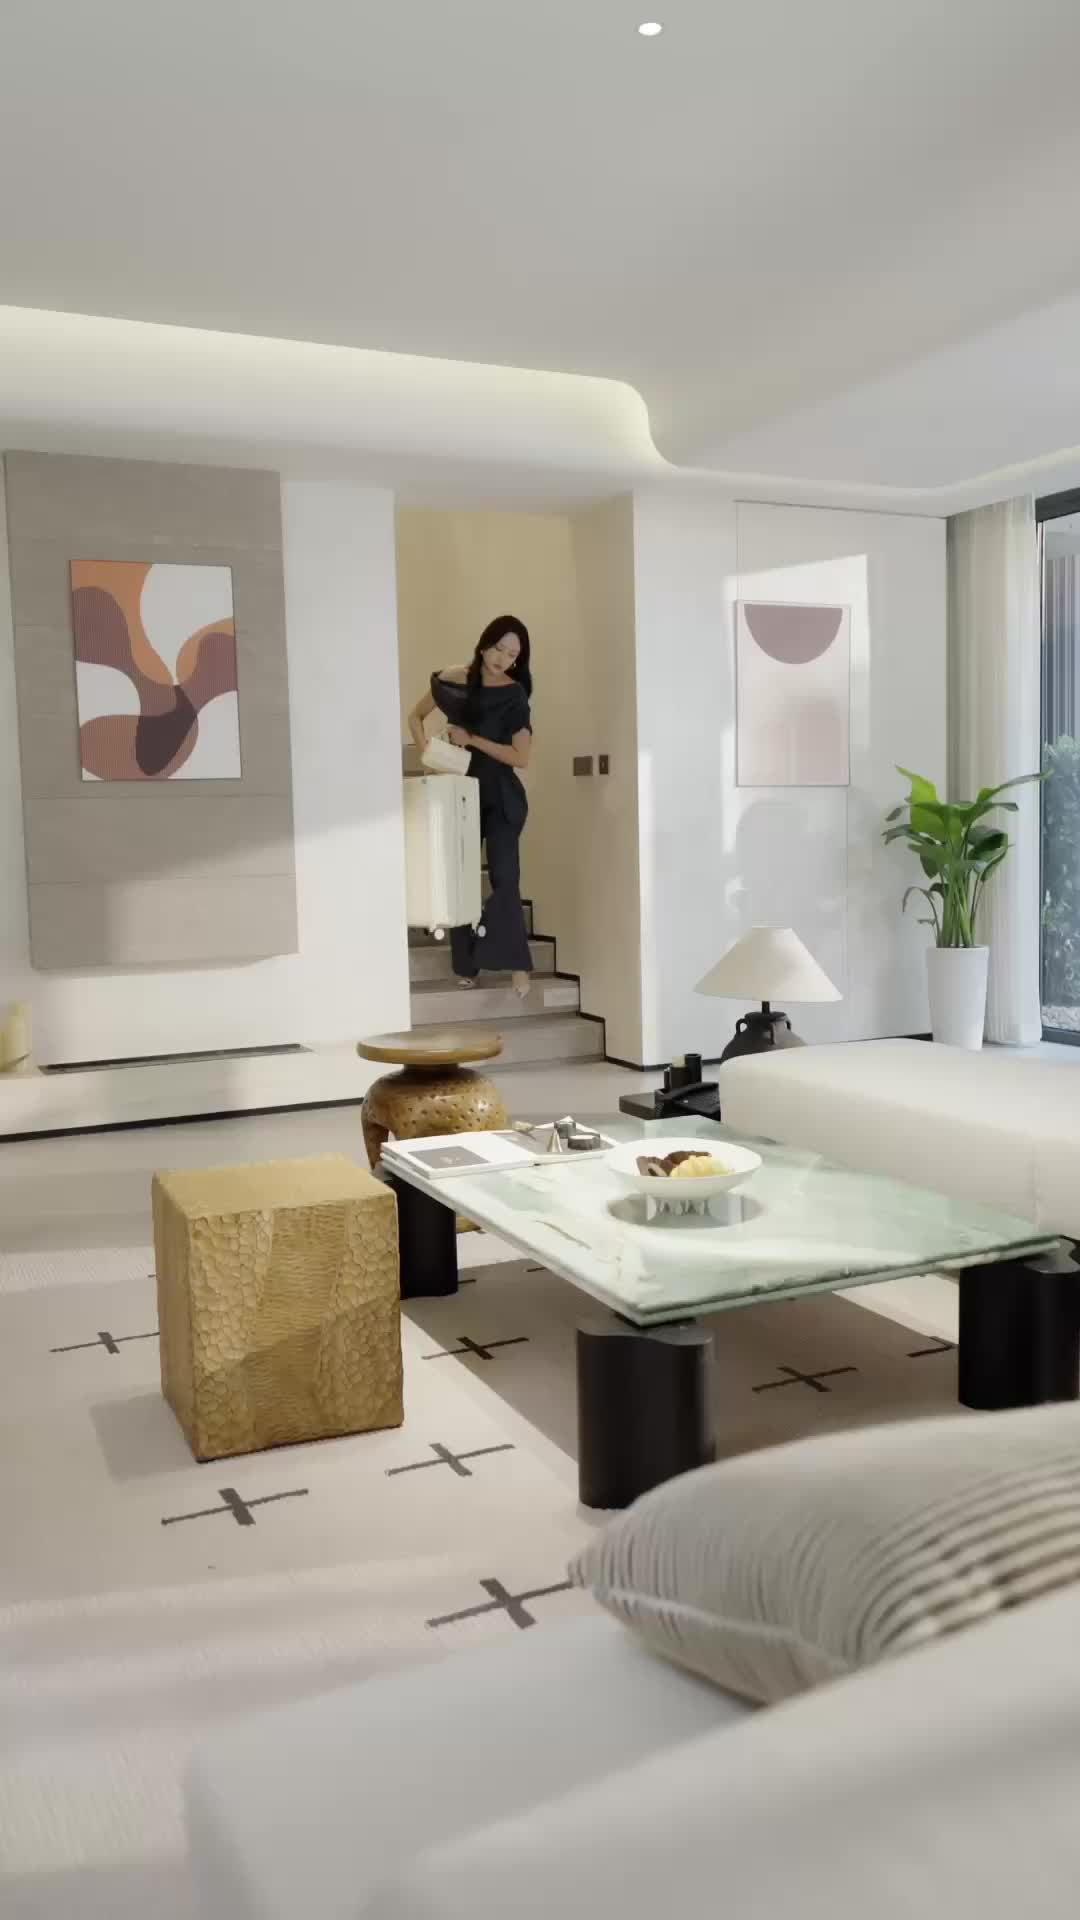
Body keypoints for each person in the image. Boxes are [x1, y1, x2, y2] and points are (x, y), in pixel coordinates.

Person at [408, 615, 534, 998]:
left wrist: (472, 739)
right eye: (499, 648)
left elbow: (521, 757)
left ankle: (517, 964)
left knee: (505, 877)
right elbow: (416, 716)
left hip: (500, 797)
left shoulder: (514, 695)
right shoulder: (453, 678)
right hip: (460, 794)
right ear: (484, 643)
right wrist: (426, 753)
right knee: (459, 879)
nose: (502, 659)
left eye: (511, 655)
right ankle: (466, 965)